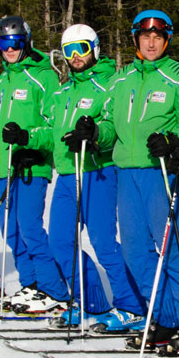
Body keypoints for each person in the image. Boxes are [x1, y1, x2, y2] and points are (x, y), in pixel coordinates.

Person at [108, 8, 179, 352]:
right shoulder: (121, 79)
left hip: (161, 173)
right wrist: (95, 131)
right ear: (136, 38)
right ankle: (167, 318)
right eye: (145, 36)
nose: (151, 43)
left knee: (171, 248)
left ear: (166, 39)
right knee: (136, 251)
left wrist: (173, 138)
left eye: (158, 37)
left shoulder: (177, 76)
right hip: (127, 172)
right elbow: (110, 122)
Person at [46, 24, 147, 330]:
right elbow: (49, 131)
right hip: (67, 173)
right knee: (60, 242)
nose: (75, 56)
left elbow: (113, 126)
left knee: (104, 243)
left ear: (95, 49)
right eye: (69, 51)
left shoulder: (112, 84)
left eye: (82, 49)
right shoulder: (62, 91)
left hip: (97, 171)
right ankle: (91, 303)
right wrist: (26, 136)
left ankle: (132, 306)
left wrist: (93, 134)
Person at [0, 16, 67, 314]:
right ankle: (31, 284)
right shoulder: (2, 79)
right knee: (10, 231)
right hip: (3, 166)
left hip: (31, 165)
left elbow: (53, 124)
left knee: (30, 228)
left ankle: (52, 288)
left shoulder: (43, 76)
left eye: (15, 42)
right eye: (3, 43)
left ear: (26, 42)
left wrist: (28, 140)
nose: (9, 49)